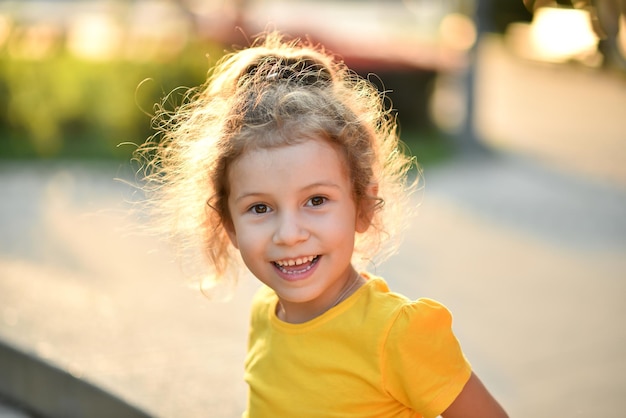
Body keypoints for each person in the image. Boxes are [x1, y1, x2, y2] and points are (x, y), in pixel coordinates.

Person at [135, 31, 508, 418]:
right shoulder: (266, 314)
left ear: (363, 207)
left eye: (316, 201)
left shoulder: (397, 334)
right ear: (227, 223)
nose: (290, 234)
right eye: (260, 208)